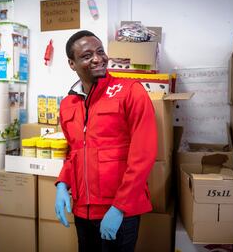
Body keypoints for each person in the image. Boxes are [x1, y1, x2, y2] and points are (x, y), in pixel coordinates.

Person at [55, 30, 158, 252]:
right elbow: (73, 152)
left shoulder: (131, 91)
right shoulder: (67, 104)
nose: (97, 58)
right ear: (72, 64)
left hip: (119, 210)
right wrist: (63, 184)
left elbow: (144, 155)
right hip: (82, 210)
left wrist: (120, 207)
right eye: (87, 55)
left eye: (100, 51)